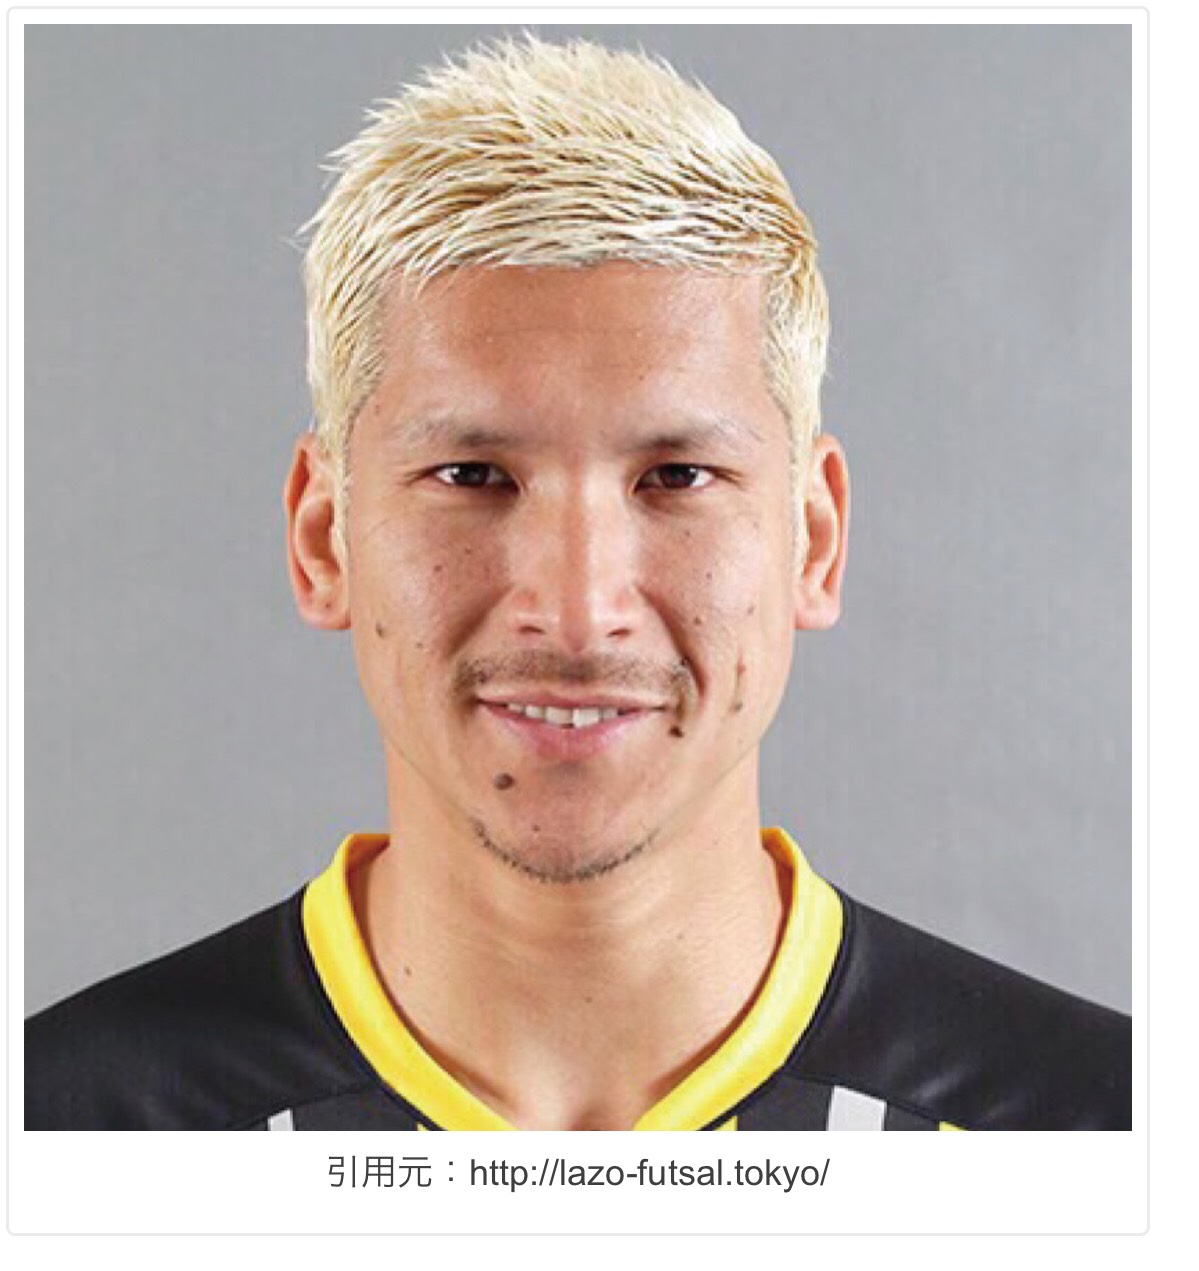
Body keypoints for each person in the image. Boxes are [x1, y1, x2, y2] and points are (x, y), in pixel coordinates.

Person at [25, 36, 1130, 1132]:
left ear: (812, 537)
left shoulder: (1108, 1132)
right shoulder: (58, 1133)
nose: (576, 607)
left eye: (676, 476)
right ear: (325, 536)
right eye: (471, 475)